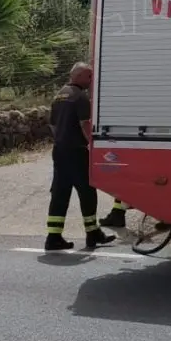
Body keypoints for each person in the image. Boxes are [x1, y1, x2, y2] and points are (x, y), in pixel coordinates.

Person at [45, 62, 117, 251]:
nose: (91, 80)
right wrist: (93, 146)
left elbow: (52, 125)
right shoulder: (80, 97)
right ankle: (93, 233)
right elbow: (85, 124)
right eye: (89, 76)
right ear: (77, 77)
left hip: (60, 151)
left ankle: (53, 237)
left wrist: (62, 139)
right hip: (76, 152)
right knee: (87, 191)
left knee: (60, 192)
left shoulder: (59, 95)